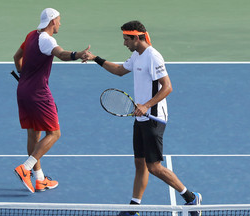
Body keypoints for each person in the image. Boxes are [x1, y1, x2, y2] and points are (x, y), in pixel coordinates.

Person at [85, 21, 202, 216]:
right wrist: (95, 58)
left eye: (126, 39)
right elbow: (119, 70)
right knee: (139, 163)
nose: (124, 43)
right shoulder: (136, 55)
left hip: (154, 118)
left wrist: (146, 105)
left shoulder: (153, 57)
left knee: (154, 167)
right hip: (141, 118)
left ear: (136, 37)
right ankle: (134, 208)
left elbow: (168, 87)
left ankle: (191, 198)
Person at [13, 8, 90, 193]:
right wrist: (78, 54)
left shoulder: (31, 35)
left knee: (34, 135)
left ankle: (39, 180)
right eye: (59, 20)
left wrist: (24, 76)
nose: (60, 24)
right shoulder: (47, 40)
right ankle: (26, 167)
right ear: (52, 21)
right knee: (54, 134)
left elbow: (17, 57)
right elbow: (62, 54)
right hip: (39, 94)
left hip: (23, 90)